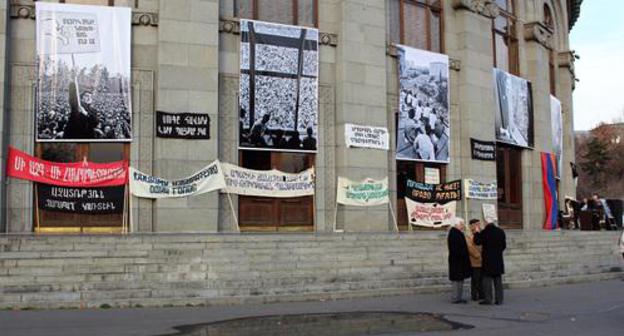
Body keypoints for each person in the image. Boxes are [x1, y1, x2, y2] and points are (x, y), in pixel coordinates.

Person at [474, 220, 506, 305]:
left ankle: (488, 299)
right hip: (498, 260)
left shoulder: (485, 232)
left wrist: (477, 232)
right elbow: (504, 246)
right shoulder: (500, 231)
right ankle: (499, 299)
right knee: (498, 281)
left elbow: (477, 241)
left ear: (486, 223)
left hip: (488, 260)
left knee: (487, 281)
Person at [447, 218, 472, 304]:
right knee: (456, 280)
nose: (463, 225)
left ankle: (458, 297)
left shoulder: (457, 233)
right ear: (457, 224)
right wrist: (462, 255)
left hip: (459, 261)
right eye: (462, 223)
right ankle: (455, 298)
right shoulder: (454, 234)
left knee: (460, 279)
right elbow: (456, 249)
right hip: (457, 261)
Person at [466, 219, 484, 301]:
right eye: (477, 224)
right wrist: (478, 255)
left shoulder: (481, 233)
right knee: (475, 279)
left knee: (482, 279)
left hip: (483, 260)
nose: (478, 226)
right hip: (474, 260)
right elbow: (470, 247)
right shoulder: (469, 235)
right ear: (471, 225)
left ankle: (482, 294)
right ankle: (474, 295)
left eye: (479, 224)